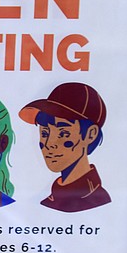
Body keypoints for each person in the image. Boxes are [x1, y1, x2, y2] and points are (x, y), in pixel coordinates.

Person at [18, 82, 110, 213]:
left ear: (90, 134)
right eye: (45, 133)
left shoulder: (97, 200)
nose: (49, 144)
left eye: (63, 133)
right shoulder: (51, 199)